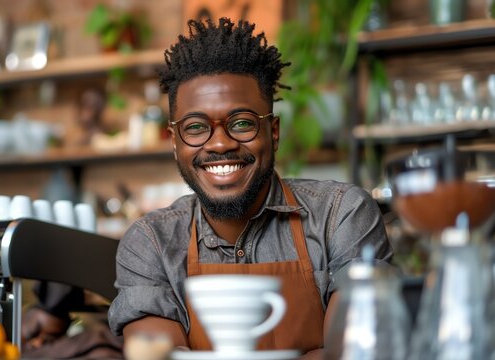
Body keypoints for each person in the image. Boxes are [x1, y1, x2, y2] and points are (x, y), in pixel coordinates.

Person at [108, 17, 392, 358]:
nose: (219, 144)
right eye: (196, 128)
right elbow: (154, 356)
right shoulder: (151, 243)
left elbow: (357, 351)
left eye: (241, 123)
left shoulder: (341, 216)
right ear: (174, 142)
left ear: (273, 132)